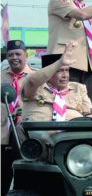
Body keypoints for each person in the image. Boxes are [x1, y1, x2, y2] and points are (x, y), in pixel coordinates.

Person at [21, 42, 92, 123]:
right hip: (40, 132)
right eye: (59, 71)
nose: (65, 75)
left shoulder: (78, 88)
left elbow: (89, 115)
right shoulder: (37, 86)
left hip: (72, 133)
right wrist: (59, 62)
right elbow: (32, 82)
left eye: (67, 70)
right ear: (49, 73)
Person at [1, 40, 37, 195]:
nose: (14, 57)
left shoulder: (37, 77)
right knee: (2, 177)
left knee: (25, 176)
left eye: (18, 54)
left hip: (25, 134)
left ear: (26, 55)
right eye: (10, 55)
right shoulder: (0, 76)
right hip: (3, 133)